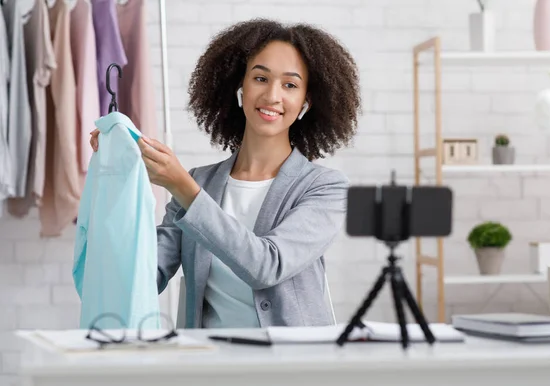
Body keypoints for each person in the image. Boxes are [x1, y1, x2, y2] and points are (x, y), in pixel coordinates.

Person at [90, 18, 361, 329]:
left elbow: (266, 266)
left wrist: (183, 188)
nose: (272, 95)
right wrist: (120, 175)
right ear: (240, 86)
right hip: (211, 366)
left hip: (291, 368)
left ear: (306, 102)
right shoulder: (199, 181)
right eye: (260, 78)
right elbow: (141, 277)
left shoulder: (325, 188)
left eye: (290, 85)